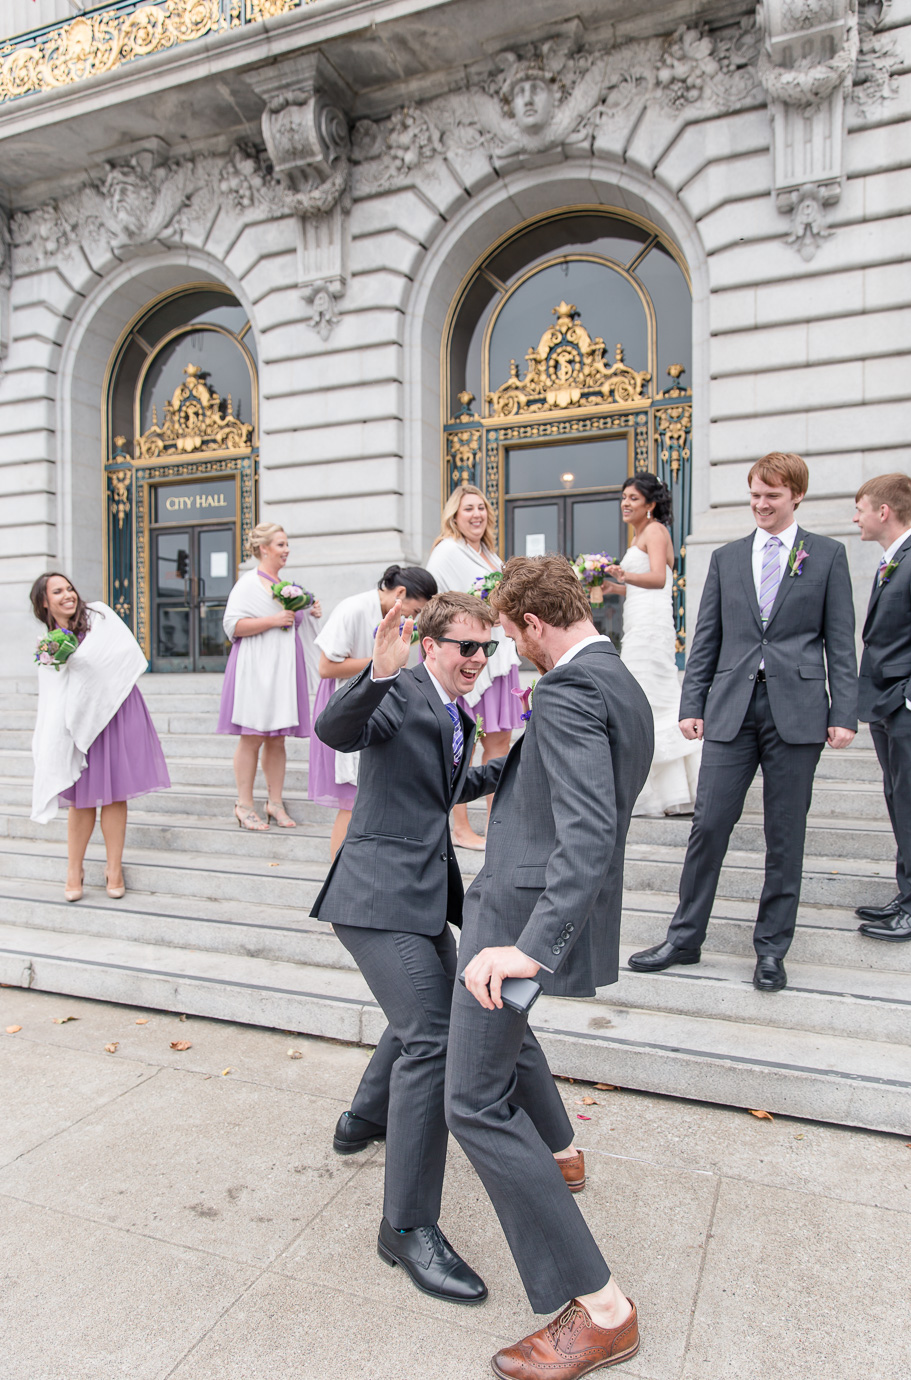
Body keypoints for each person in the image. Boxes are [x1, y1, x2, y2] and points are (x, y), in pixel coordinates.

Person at [444, 554, 654, 1379]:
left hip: (517, 919)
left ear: (533, 623)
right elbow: (551, 772)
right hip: (530, 905)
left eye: (511, 638)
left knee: (471, 1101)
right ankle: (562, 1152)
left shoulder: (566, 689)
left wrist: (527, 946)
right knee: (509, 1055)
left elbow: (590, 827)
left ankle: (602, 1309)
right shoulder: (611, 675)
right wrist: (465, 778)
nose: (512, 655)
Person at [309, 592, 509, 1304]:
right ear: (429, 645)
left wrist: (509, 767)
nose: (478, 661)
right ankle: (406, 1226)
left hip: (420, 897)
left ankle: (362, 1118)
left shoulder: (459, 711)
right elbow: (336, 729)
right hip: (373, 898)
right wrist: (379, 674)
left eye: (487, 649)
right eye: (466, 647)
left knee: (418, 1012)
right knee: (433, 1035)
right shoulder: (401, 693)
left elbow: (443, 790)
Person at [629, 452, 858, 992]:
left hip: (798, 714)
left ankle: (772, 950)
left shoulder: (826, 556)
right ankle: (684, 939)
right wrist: (692, 703)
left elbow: (841, 642)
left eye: (771, 496)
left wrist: (844, 711)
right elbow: (706, 636)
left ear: (796, 496)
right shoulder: (729, 558)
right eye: (754, 494)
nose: (760, 504)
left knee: (785, 834)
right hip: (731, 709)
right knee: (708, 825)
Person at [29, 572, 170, 902]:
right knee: (81, 800)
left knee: (115, 793)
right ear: (44, 602)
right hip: (78, 721)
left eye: (69, 588)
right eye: (58, 591)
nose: (68, 595)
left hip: (116, 709)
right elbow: (53, 694)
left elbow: (124, 656)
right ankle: (74, 870)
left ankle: (113, 868)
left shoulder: (101, 616)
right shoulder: (49, 644)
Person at [308, 564, 437, 858]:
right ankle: (337, 876)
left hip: (378, 703)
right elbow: (326, 667)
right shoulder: (353, 608)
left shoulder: (390, 613)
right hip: (348, 705)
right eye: (415, 611)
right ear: (401, 593)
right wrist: (382, 662)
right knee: (350, 802)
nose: (414, 619)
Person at [427, 484, 521, 850]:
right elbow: (438, 605)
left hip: (499, 656)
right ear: (455, 514)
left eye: (481, 508)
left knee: (499, 741)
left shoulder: (490, 555)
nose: (476, 515)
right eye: (468, 509)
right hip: (468, 658)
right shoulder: (446, 552)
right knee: (462, 744)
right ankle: (461, 828)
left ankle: (498, 825)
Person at [605, 472, 701, 815]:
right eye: (623, 497)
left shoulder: (656, 531)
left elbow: (659, 577)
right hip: (638, 620)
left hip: (651, 627)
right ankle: (656, 788)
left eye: (633, 498)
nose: (625, 504)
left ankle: (673, 791)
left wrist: (624, 575)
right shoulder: (639, 535)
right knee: (642, 696)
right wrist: (613, 588)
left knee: (650, 696)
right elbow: (641, 583)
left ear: (651, 504)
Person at [217, 523, 321, 831]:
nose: (286, 549)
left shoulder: (288, 585)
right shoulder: (248, 584)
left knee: (277, 739)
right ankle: (244, 804)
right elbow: (232, 625)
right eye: (280, 544)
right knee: (252, 737)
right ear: (264, 549)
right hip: (255, 666)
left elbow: (295, 624)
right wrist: (273, 619)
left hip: (283, 667)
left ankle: (274, 803)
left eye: (286, 544)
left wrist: (310, 610)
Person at [851, 473, 911, 942]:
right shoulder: (894, 560)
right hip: (884, 703)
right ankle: (908, 892)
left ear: (883, 512)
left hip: (905, 706)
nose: (854, 517)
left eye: (859, 508)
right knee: (900, 800)